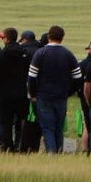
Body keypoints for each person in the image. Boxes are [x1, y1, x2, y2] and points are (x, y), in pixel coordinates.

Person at [28, 25, 83, 154]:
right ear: (62, 38)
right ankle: (58, 152)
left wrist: (33, 93)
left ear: (48, 37)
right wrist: (68, 92)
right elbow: (78, 77)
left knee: (47, 128)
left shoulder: (40, 53)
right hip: (61, 96)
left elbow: (31, 76)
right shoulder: (68, 54)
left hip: (43, 96)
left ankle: (51, 153)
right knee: (58, 128)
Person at [0, 29, 32, 152]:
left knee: (6, 122)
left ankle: (8, 146)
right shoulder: (25, 54)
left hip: (4, 95)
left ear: (6, 39)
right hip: (21, 93)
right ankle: (21, 144)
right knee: (21, 121)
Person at [16, 30, 44, 153]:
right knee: (37, 120)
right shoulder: (41, 51)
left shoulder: (22, 51)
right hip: (41, 91)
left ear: (24, 39)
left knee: (25, 120)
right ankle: (35, 147)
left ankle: (22, 146)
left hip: (24, 90)